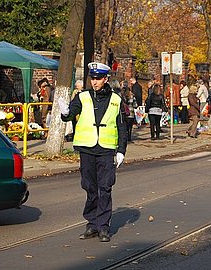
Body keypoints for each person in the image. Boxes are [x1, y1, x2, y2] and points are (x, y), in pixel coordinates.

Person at [58, 62, 128, 242]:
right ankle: (92, 224)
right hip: (87, 149)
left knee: (105, 188)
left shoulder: (116, 100)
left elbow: (122, 127)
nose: (95, 82)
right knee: (90, 188)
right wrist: (65, 112)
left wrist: (121, 150)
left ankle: (103, 227)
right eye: (93, 78)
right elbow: (70, 114)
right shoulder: (82, 97)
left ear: (106, 79)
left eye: (98, 78)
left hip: (106, 149)